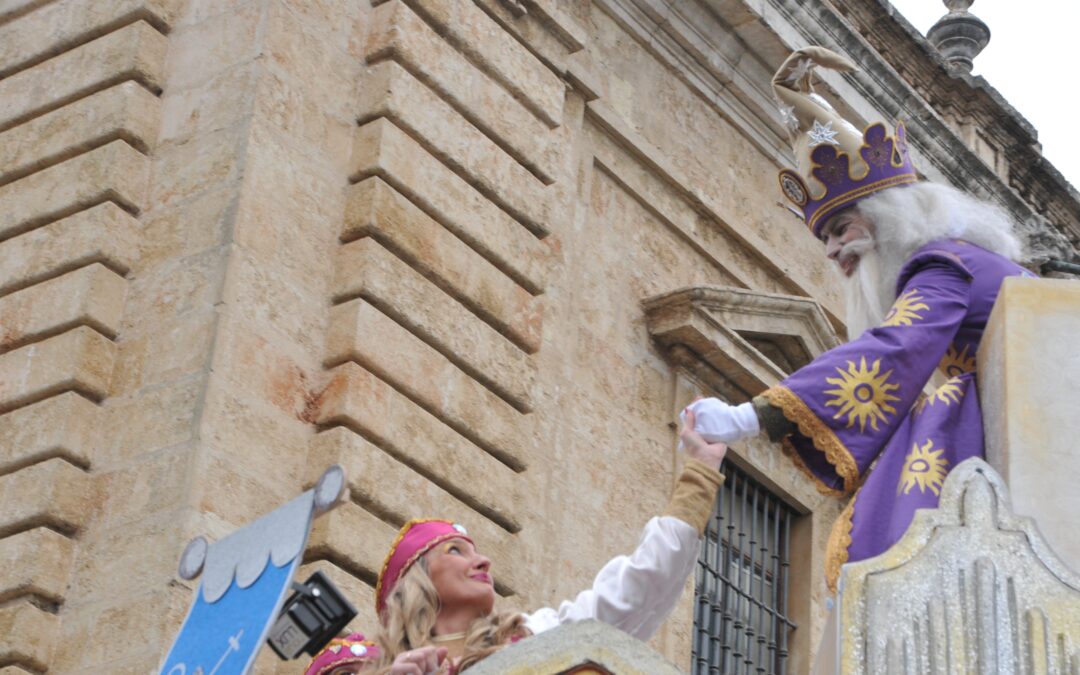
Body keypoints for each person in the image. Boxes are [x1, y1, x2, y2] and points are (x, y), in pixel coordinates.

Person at [685, 46, 1036, 592]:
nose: (831, 252)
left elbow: (895, 350)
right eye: (824, 238)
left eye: (840, 228)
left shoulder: (942, 265)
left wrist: (752, 417)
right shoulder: (964, 262)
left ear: (886, 218)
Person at [303, 409, 727, 674]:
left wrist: (701, 474)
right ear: (417, 580)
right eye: (456, 550)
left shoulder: (537, 636)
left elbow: (639, 588)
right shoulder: (360, 665)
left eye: (477, 550)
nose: (484, 560)